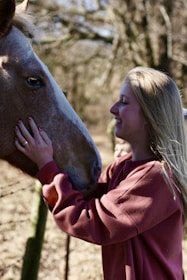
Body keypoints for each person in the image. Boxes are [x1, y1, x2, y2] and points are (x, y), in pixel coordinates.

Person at [15, 67, 187, 280]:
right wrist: (55, 155)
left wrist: (48, 168)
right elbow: (88, 196)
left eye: (124, 102)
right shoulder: (123, 167)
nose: (113, 109)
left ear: (149, 116)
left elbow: (92, 221)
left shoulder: (156, 177)